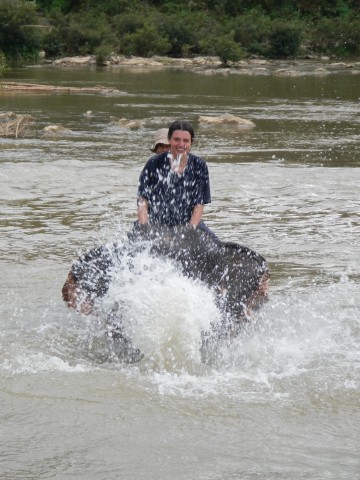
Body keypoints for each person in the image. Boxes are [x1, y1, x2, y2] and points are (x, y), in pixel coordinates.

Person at [137, 120, 217, 239]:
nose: (181, 144)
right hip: (156, 223)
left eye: (185, 140)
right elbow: (143, 199)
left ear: (191, 143)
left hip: (187, 223)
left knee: (217, 245)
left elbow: (199, 204)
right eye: (177, 139)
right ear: (169, 140)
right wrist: (144, 226)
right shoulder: (154, 163)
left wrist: (190, 230)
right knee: (131, 244)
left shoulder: (199, 165)